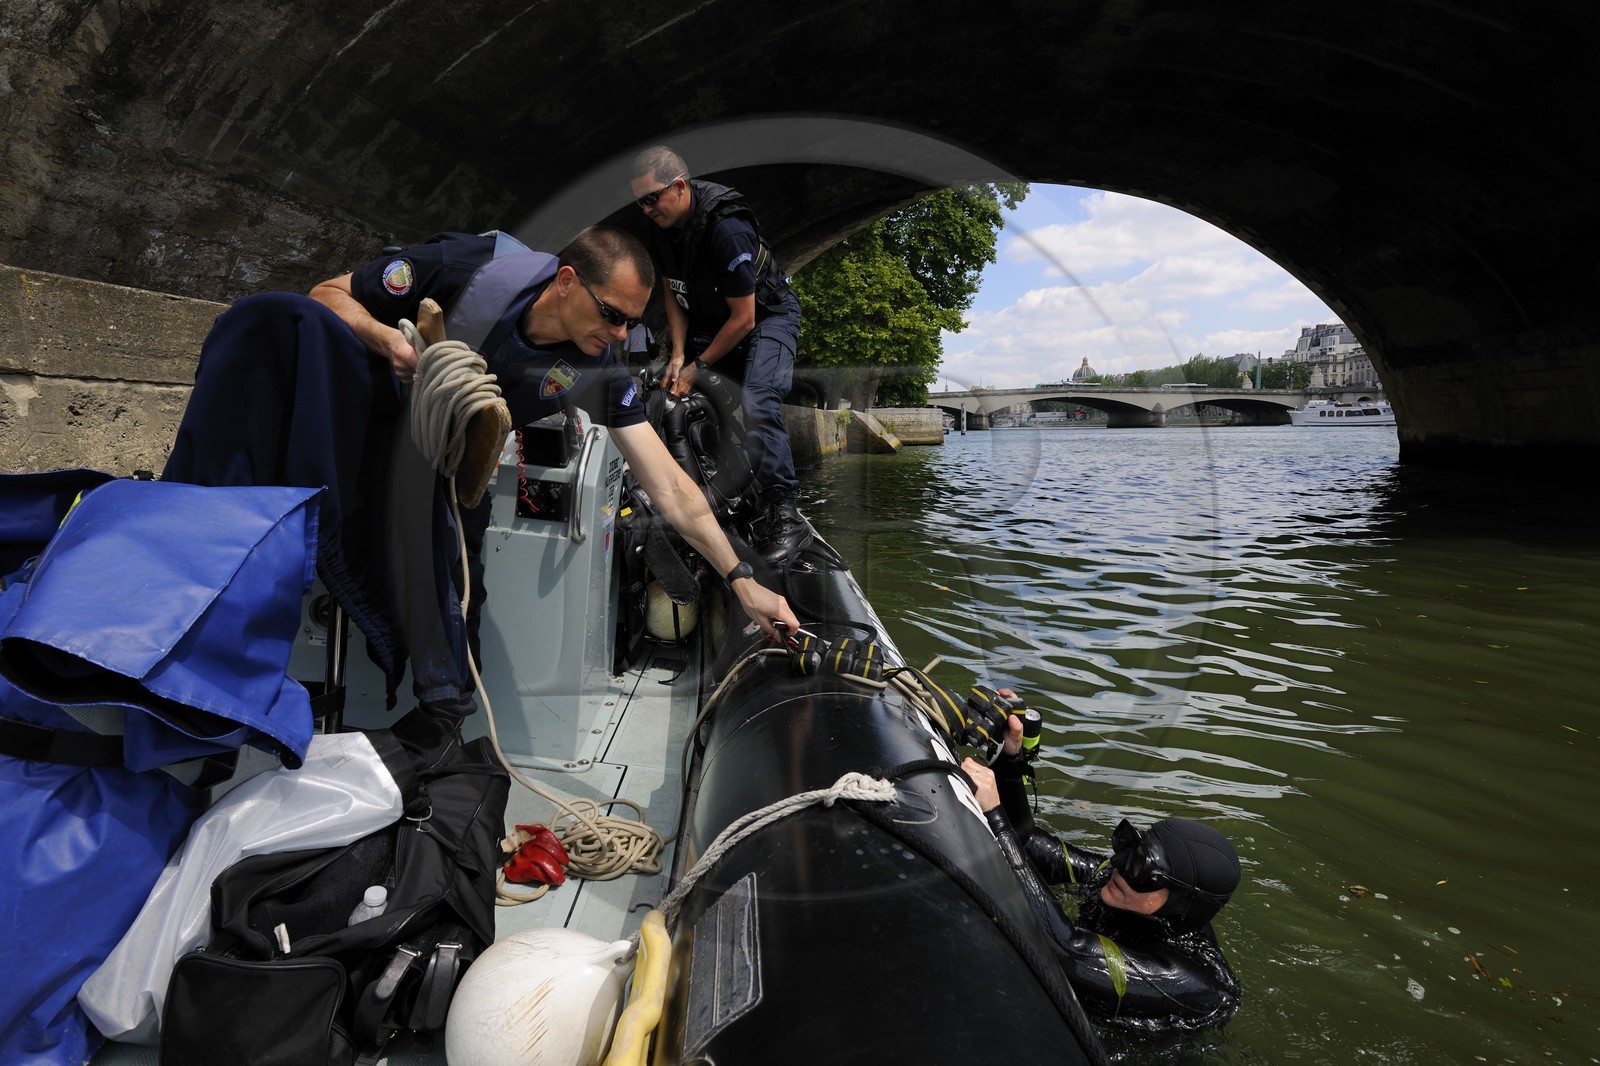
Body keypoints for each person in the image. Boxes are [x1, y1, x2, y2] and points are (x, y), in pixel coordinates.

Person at [168, 226, 796, 719]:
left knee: (458, 603)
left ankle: (437, 724)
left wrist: (741, 580)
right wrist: (387, 340)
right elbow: (326, 296)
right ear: (566, 281)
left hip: (450, 464)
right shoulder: (467, 268)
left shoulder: (599, 367)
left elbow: (669, 486)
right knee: (276, 316)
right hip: (367, 417)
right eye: (611, 314)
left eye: (632, 322)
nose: (620, 334)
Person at [961, 711, 1242, 1034]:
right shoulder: (1122, 883)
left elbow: (1067, 950)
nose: (1120, 866)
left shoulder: (1190, 980)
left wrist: (995, 817)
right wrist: (1009, 758)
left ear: (1178, 903)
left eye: (1142, 867)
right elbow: (1027, 843)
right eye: (1131, 848)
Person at [626, 146, 811, 566]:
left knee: (758, 399)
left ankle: (786, 514)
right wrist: (676, 355)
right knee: (682, 396)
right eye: (639, 201)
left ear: (679, 186)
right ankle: (731, 492)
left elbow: (744, 319)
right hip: (711, 318)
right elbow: (675, 292)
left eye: (652, 198)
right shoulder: (660, 225)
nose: (646, 209)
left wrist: (698, 364)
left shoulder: (726, 228)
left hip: (765, 316)